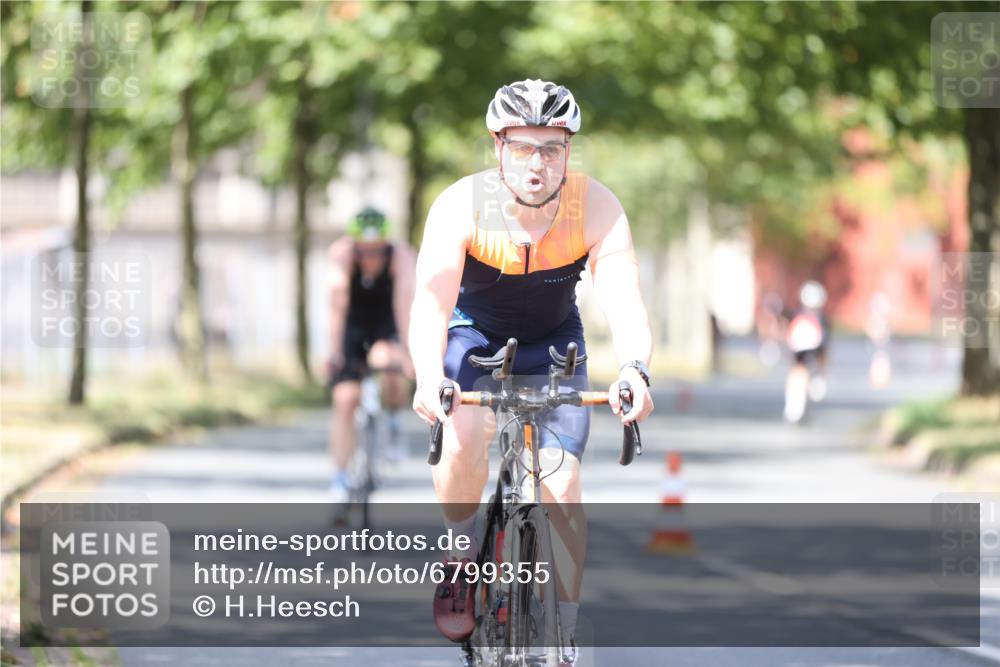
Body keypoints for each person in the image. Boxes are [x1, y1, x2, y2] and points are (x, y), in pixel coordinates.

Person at [408, 79, 655, 665]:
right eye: (523, 147)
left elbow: (624, 300)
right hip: (473, 337)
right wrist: (427, 374)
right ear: (498, 147)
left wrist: (636, 369)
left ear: (569, 149)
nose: (538, 162)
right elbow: (431, 303)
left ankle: (563, 629)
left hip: (553, 343)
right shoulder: (460, 207)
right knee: (464, 438)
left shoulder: (596, 207)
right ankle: (462, 557)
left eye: (551, 147)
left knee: (562, 481)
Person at [326, 207, 416, 502]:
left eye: (376, 251)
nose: (370, 259)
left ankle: (392, 420)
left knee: (386, 361)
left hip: (385, 322)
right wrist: (335, 351)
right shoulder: (341, 255)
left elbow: (404, 302)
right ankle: (339, 478)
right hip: (352, 324)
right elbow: (337, 305)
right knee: (345, 398)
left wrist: (407, 351)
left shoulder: (400, 255)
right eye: (364, 252)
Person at [783, 280, 830, 423]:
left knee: (800, 373)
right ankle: (794, 405)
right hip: (803, 349)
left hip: (810, 350)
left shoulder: (818, 319)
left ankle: (797, 406)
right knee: (799, 373)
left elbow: (824, 347)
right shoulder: (804, 317)